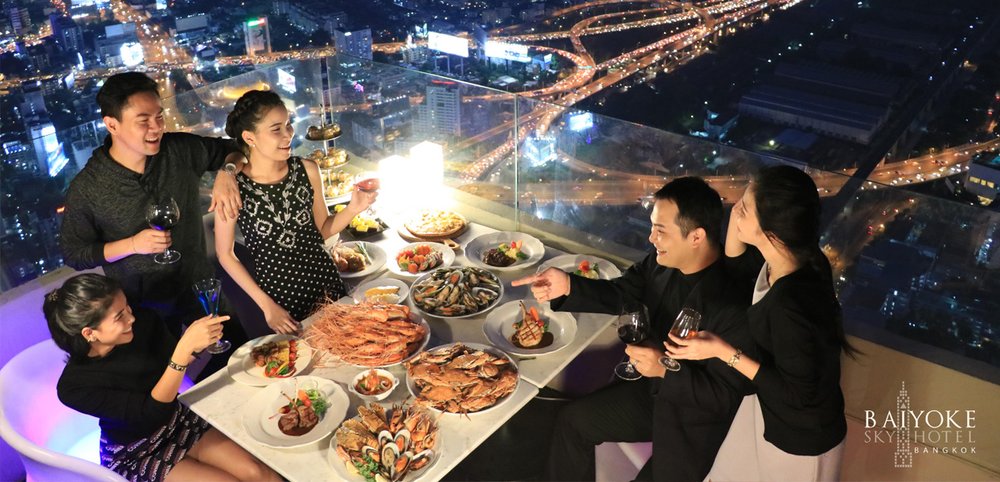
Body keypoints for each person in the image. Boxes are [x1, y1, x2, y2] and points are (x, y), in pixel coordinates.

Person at [512, 177, 755, 481]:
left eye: (660, 231)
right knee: (572, 422)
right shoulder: (660, 262)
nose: (651, 238)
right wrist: (568, 285)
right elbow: (624, 292)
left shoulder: (732, 303)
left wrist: (666, 369)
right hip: (648, 391)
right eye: (652, 226)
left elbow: (722, 397)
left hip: (688, 417)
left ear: (696, 237)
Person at [667, 166, 852, 481]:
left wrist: (723, 351)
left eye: (744, 208)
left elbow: (799, 395)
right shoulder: (784, 261)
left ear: (772, 233)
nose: (735, 210)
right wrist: (742, 213)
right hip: (767, 411)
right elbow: (736, 264)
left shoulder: (790, 306)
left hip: (801, 439)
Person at [59, 72, 248, 371]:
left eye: (159, 116)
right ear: (112, 125)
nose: (156, 127)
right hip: (144, 307)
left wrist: (226, 172)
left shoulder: (178, 151)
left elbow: (236, 149)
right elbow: (74, 252)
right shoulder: (89, 188)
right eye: (143, 120)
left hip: (199, 284)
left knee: (243, 356)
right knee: (165, 380)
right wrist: (132, 244)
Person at [46, 273, 281, 482]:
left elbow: (173, 365)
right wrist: (182, 351)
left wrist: (196, 344)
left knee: (258, 473)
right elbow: (150, 411)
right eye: (119, 316)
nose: (131, 318)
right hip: (137, 449)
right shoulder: (73, 387)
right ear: (89, 333)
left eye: (127, 308)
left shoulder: (144, 321)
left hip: (178, 419)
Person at [216, 90, 376, 334]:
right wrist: (267, 306)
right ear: (250, 137)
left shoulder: (308, 169)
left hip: (327, 285)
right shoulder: (232, 187)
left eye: (288, 125)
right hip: (281, 302)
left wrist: (355, 207)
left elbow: (322, 231)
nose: (288, 134)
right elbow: (225, 254)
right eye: (276, 129)